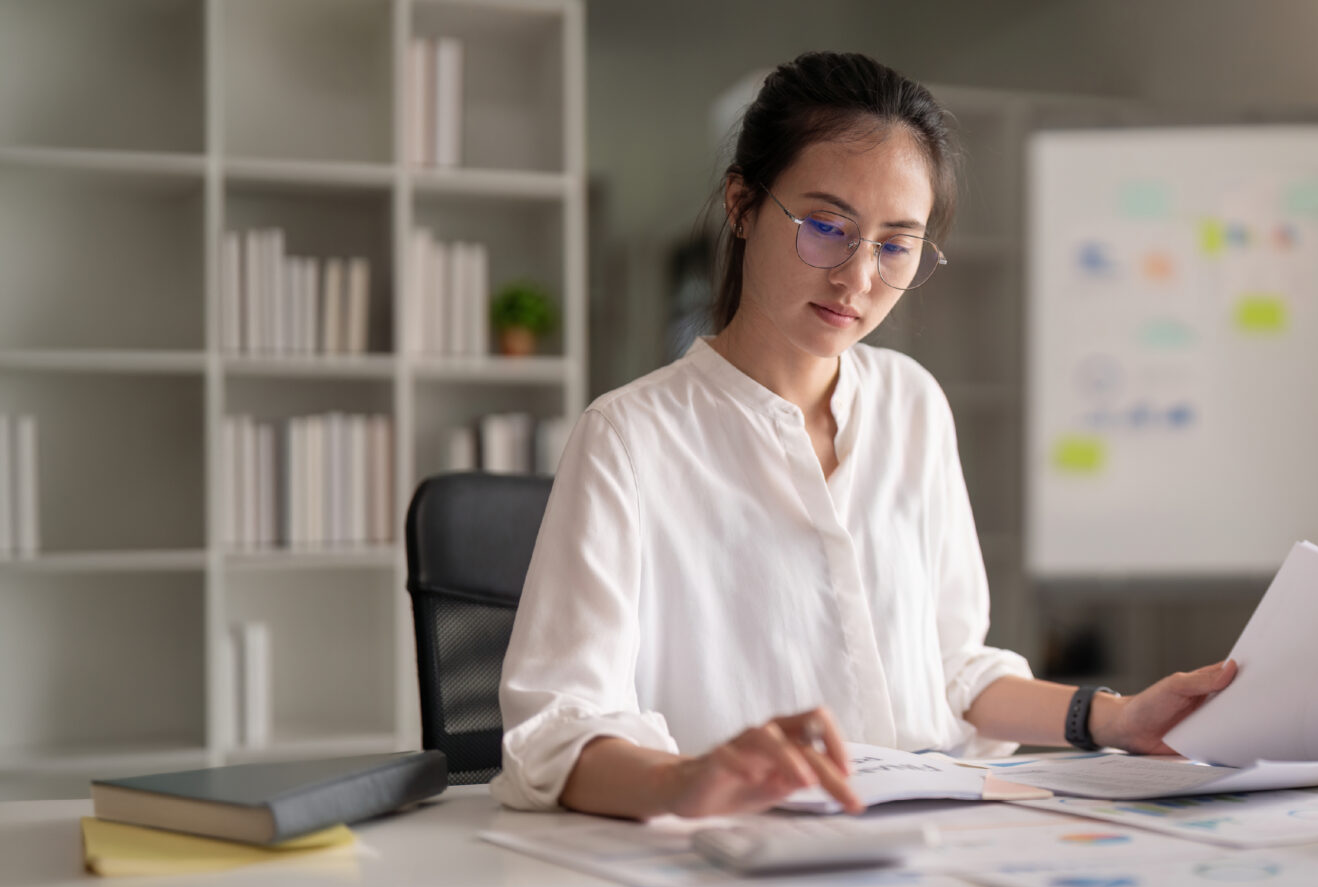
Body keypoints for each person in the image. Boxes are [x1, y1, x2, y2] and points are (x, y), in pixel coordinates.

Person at [490, 51, 1236, 818]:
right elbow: (557, 725)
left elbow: (952, 670)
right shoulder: (630, 439)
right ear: (743, 205)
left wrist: (1116, 718)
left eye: (895, 244)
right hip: (734, 859)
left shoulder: (912, 404)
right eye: (825, 227)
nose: (857, 279)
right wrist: (685, 780)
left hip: (929, 838)